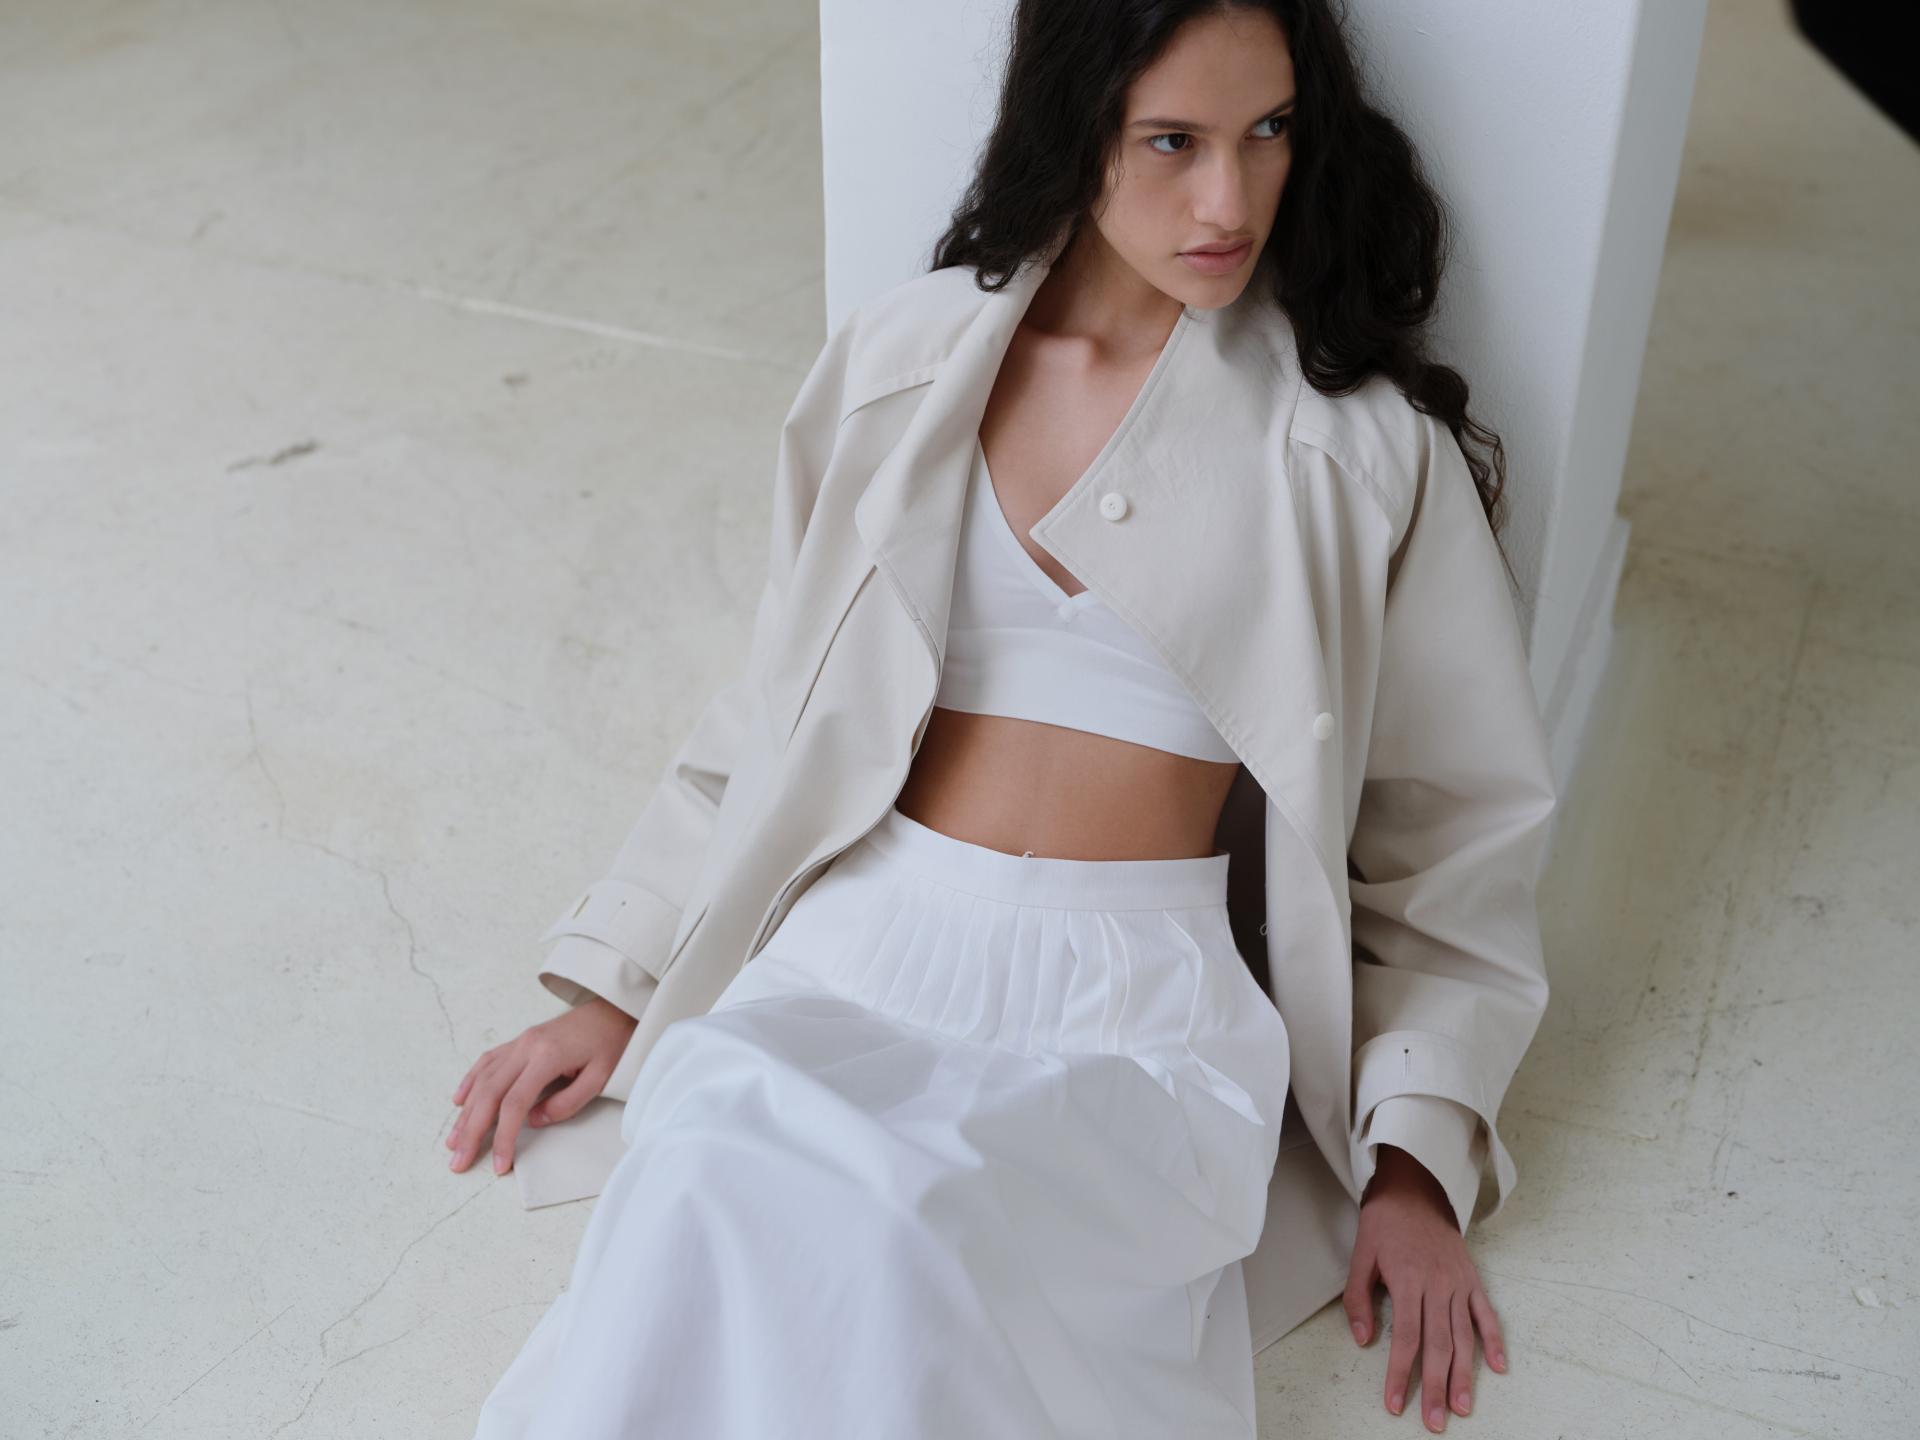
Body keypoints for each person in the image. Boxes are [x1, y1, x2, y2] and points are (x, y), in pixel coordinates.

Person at [455, 2, 1558, 1435]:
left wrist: (1414, 1161)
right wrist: (622, 977)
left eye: (1269, 132)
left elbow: (1452, 837)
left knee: (907, 1241)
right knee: (708, 1171)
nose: (1229, 202)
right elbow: (782, 704)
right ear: (1076, 124)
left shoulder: (1354, 450)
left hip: (1135, 1010)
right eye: (1173, 142)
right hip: (857, 944)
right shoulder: (904, 364)